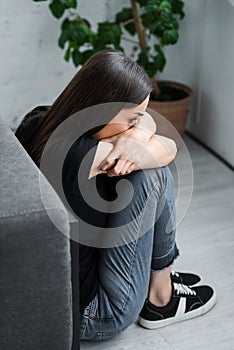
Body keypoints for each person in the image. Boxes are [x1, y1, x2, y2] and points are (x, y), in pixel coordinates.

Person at [15, 49, 216, 341]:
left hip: (59, 290)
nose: (139, 125)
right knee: (150, 175)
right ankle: (161, 296)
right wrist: (138, 142)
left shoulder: (40, 121)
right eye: (132, 119)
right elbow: (168, 149)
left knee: (143, 169)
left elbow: (155, 133)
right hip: (92, 313)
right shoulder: (80, 156)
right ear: (102, 111)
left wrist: (135, 132)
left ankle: (160, 284)